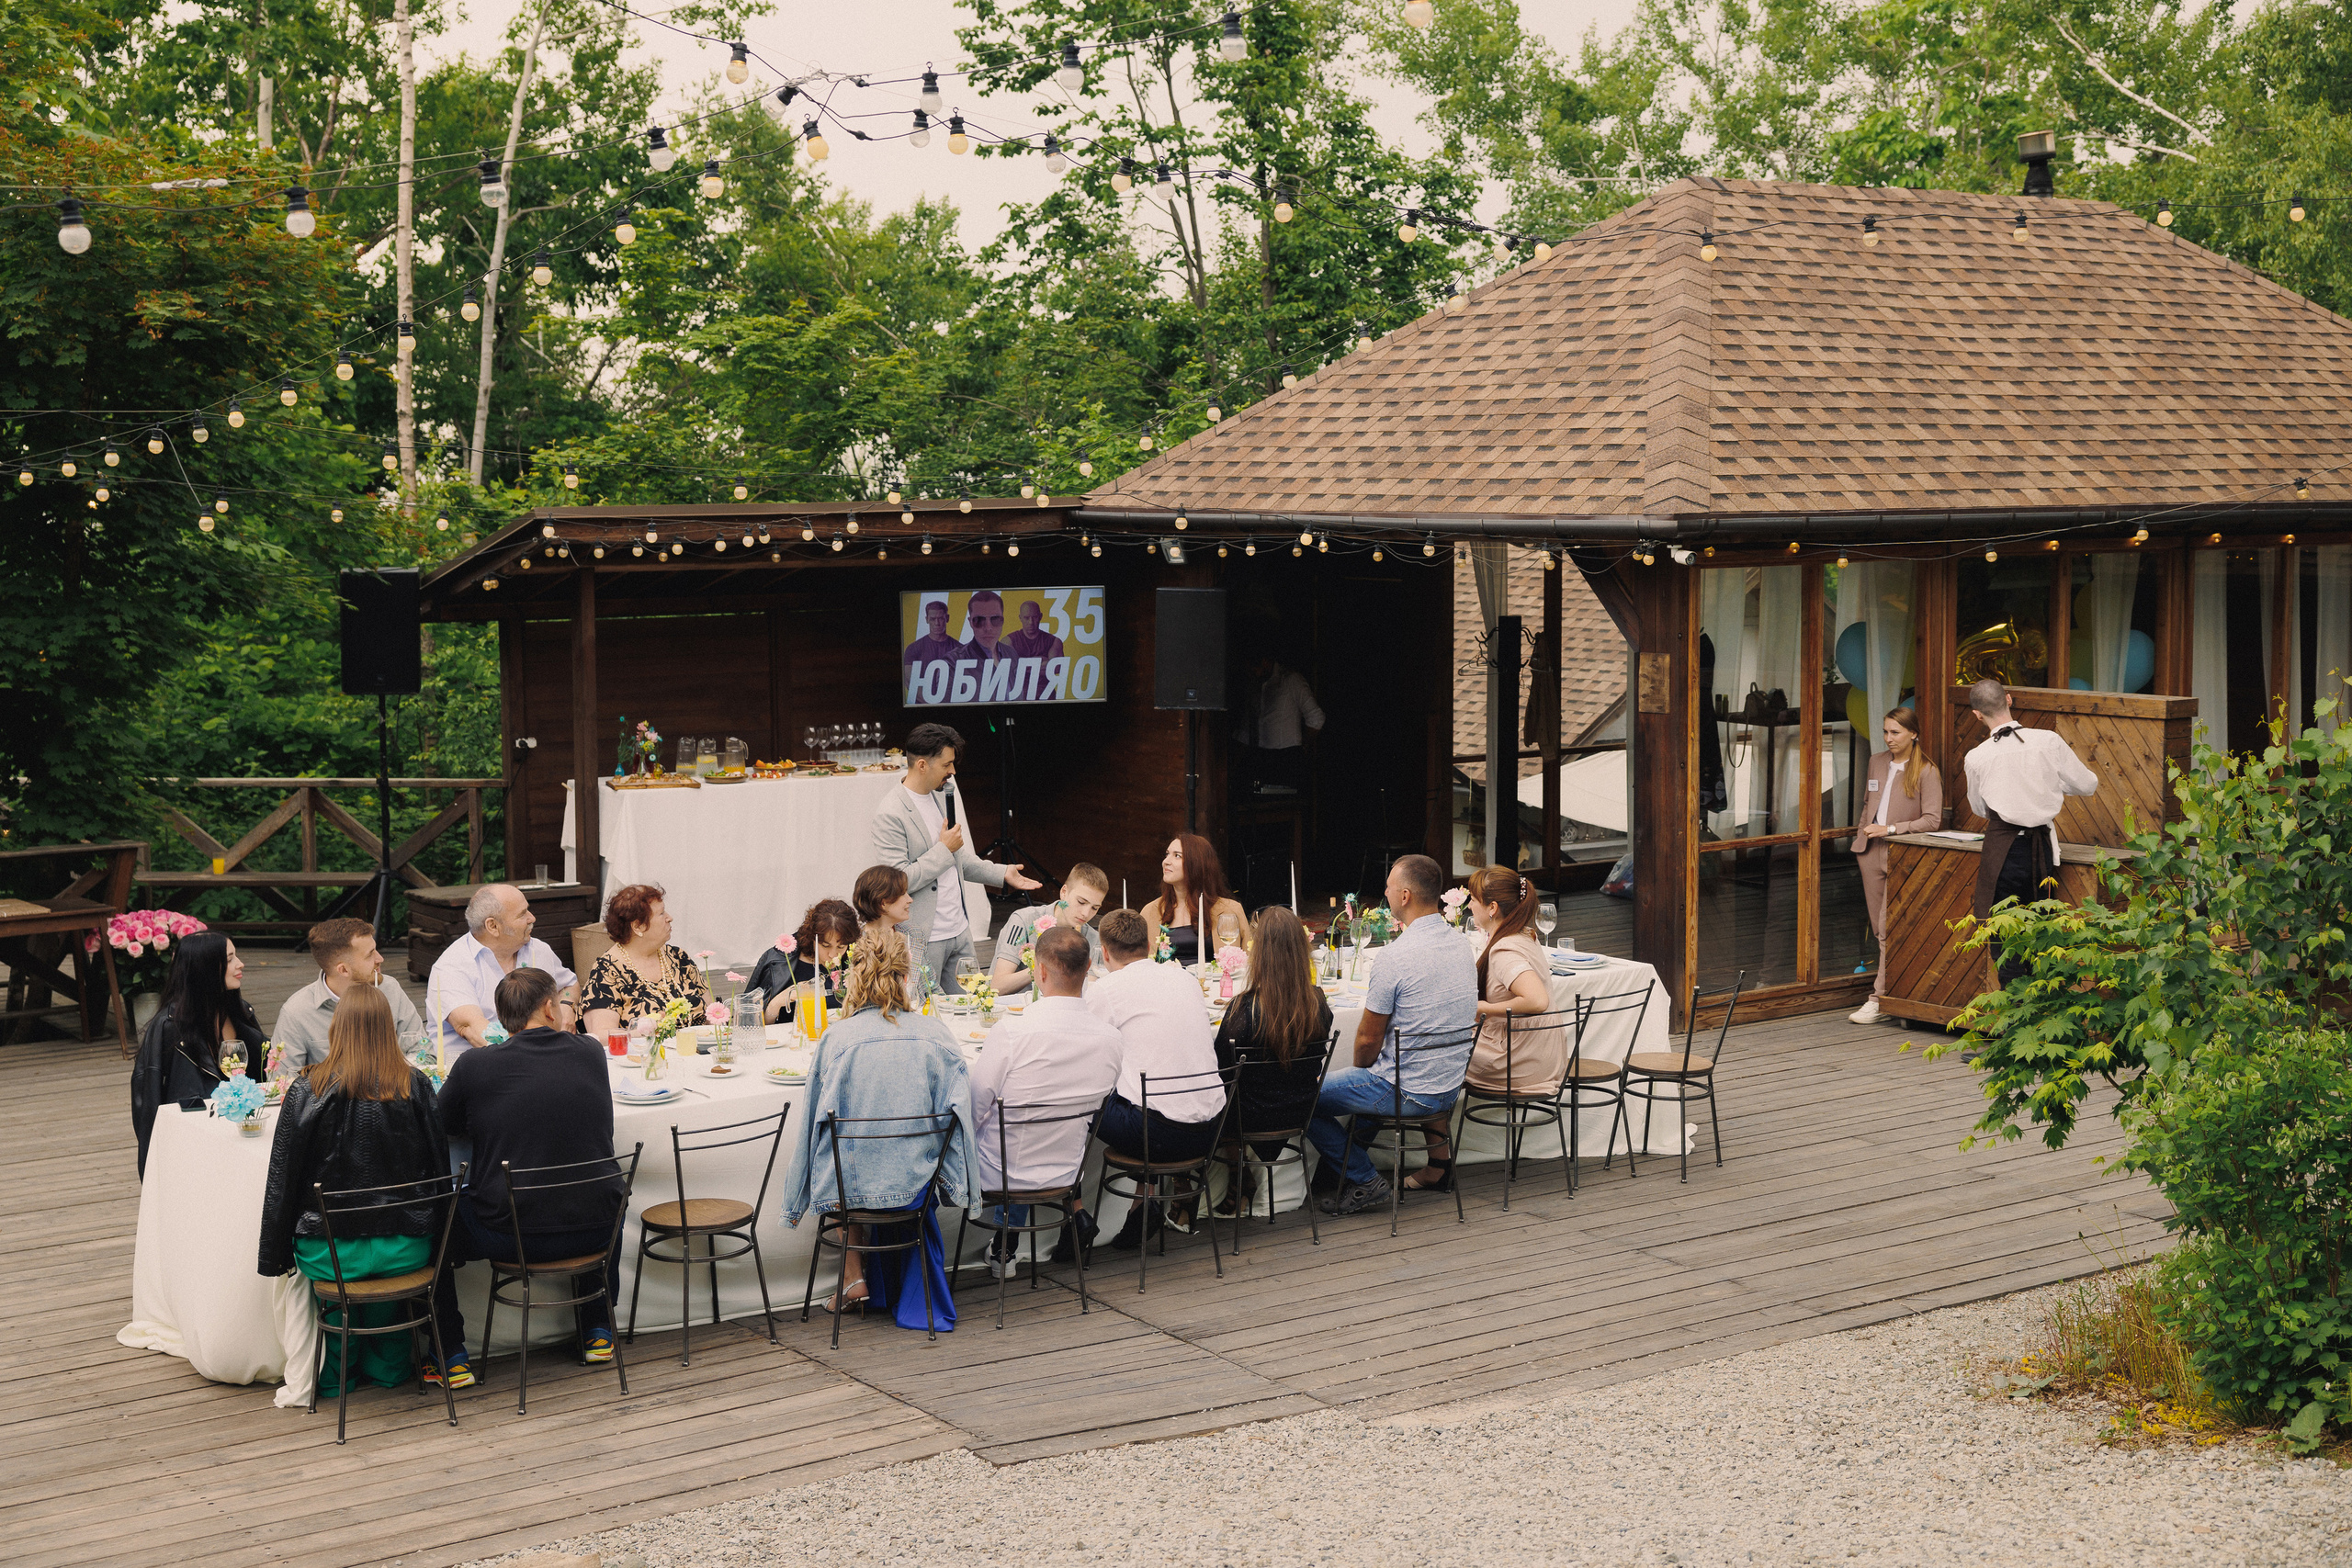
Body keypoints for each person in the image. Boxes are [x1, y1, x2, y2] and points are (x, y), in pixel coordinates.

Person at [431, 967, 626, 1380]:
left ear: (503, 1021)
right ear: (549, 1008)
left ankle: (450, 1354)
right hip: (596, 1229)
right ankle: (598, 1328)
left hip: (510, 1235)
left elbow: (440, 1125)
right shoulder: (590, 1052)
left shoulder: (475, 1066)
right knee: (601, 1186)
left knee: (432, 1222)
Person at [257, 985, 452, 1395]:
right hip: (406, 1244)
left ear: (336, 1028)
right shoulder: (415, 1086)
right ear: (389, 1030)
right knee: (385, 1299)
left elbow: (282, 1182)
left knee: (341, 1296)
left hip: (328, 1251)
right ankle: (389, 1370)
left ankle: (335, 1376)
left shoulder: (306, 1089)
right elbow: (440, 1173)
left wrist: (275, 1258)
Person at [779, 931, 975, 1328]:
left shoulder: (837, 1038)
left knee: (839, 1157)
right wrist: (961, 1188)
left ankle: (853, 1276)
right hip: (914, 1186)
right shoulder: (936, 1034)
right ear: (907, 978)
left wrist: (794, 1205)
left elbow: (810, 1128)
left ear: (854, 977)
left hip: (851, 1195)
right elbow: (959, 1125)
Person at [1306, 854, 1477, 1216]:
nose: (1382, 893)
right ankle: (1342, 1173)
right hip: (1449, 1085)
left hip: (1408, 1091)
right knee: (1369, 1085)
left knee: (1298, 1098)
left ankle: (1364, 1177)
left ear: (1404, 896)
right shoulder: (1463, 944)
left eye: (1387, 887)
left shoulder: (1396, 956)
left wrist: (1361, 1073)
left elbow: (1367, 1041)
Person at [969, 925, 1122, 1277]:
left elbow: (974, 1110)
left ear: (1038, 971)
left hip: (999, 1175)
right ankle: (1005, 1247)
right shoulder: (1111, 1039)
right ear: (1088, 971)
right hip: (1067, 1172)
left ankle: (985, 1250)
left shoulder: (1011, 1032)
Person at [1085, 908, 1225, 1250]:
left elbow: (1082, 1049)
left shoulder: (1106, 989)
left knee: (1078, 1095)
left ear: (1103, 952)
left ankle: (1074, 1214)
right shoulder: (1184, 978)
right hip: (1212, 1131)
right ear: (1149, 945)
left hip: (1159, 1135)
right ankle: (1140, 1206)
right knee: (1137, 1089)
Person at [869, 722, 1039, 986]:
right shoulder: (890, 813)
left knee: (975, 1007)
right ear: (922, 765)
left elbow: (956, 858)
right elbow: (897, 881)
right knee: (929, 1013)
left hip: (960, 931)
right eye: (947, 765)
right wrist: (943, 849)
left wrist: (1001, 872)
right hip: (923, 937)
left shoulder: (941, 796)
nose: (953, 771)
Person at [1962, 680, 2098, 986]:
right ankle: (2041, 1017)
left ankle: (2015, 1019)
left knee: (2004, 932)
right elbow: (2088, 785)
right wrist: (2048, 783)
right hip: (2040, 848)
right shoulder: (2048, 741)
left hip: (2002, 849)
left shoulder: (1977, 757)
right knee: (2041, 929)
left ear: (1976, 715)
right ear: (2009, 699)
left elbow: (1979, 808)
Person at [1210, 907, 1334, 1220]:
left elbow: (1221, 1071)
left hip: (1246, 1117)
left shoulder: (1243, 1008)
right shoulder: (1318, 1002)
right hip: (1299, 1109)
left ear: (1259, 954)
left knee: (1213, 1095)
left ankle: (1225, 1178)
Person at [1455, 869, 1566, 1185]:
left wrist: (1485, 1008)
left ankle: (1434, 1161)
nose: (1468, 908)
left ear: (1492, 908)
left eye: (1473, 901)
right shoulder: (1524, 935)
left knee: (1431, 1059)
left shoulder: (1504, 949)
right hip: (1545, 1055)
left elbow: (1536, 999)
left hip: (1519, 1062)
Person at [131, 931, 267, 1178]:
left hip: (247, 1138)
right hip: (197, 1147)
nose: (240, 964)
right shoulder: (169, 1028)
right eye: (230, 958)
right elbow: (149, 1104)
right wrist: (154, 1169)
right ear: (205, 968)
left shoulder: (240, 1012)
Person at [1849, 705, 1946, 1024]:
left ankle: (1878, 999)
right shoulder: (1877, 762)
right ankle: (1892, 995)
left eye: (1896, 732)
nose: (1888, 738)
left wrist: (1891, 829)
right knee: (1879, 929)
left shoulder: (1927, 771)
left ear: (1913, 734)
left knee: (1890, 927)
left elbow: (1933, 819)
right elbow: (1868, 803)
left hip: (1903, 855)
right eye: (1885, 732)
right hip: (1870, 852)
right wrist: (1862, 839)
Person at [424, 883, 577, 1056]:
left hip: (542, 1057)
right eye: (522, 914)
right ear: (493, 926)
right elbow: (475, 1030)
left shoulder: (538, 950)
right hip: (475, 1069)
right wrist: (535, 1055)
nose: (532, 918)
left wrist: (566, 1006)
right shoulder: (452, 966)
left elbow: (569, 985)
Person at [273, 917, 428, 1072]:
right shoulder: (296, 1013)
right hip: (331, 1095)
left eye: (376, 949)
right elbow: (283, 1081)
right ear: (344, 970)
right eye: (370, 955)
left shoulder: (390, 989)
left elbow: (424, 1052)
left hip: (395, 1092)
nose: (380, 958)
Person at [579, 884, 711, 1039]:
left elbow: (713, 1014)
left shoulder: (679, 958)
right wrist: (645, 1031)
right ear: (638, 926)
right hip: (646, 1058)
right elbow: (601, 1036)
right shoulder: (607, 972)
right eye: (661, 913)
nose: (670, 918)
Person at [989, 863, 1109, 997]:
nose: (1086, 913)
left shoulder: (1093, 938)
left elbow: (1089, 993)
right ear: (1064, 892)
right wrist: (1045, 967)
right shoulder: (1024, 920)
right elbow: (997, 986)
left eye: (1095, 908)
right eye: (1081, 902)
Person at [1140, 833, 1249, 965]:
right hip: (1167, 984)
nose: (1166, 861)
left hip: (1214, 984)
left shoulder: (1230, 910)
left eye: (1177, 856)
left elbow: (1250, 962)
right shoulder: (1150, 911)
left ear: (1196, 863)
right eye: (1167, 854)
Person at [748, 898, 859, 1023]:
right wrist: (777, 1002)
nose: (833, 955)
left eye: (841, 947)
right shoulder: (781, 962)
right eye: (825, 946)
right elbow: (753, 1025)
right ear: (812, 937)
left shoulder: (854, 963)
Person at [1238, 652, 1326, 795]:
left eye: (1253, 670)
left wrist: (1303, 745)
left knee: (1283, 808)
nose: (1251, 674)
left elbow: (1316, 717)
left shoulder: (1291, 680)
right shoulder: (1254, 685)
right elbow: (1246, 730)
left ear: (1264, 661)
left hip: (1287, 758)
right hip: (1259, 757)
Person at [954, 590, 1016, 666]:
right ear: (970, 622)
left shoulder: (1012, 653)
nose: (988, 628)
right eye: (979, 620)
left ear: (1002, 620)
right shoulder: (954, 661)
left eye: (995, 619)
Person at [903, 595, 961, 669]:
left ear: (947, 618)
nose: (937, 623)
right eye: (932, 619)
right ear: (927, 619)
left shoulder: (959, 649)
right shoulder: (913, 649)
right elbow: (908, 679)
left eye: (940, 618)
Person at [1005, 598, 1064, 662]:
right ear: (1020, 618)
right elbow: (1009, 668)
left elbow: (1055, 668)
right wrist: (1041, 660)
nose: (1031, 622)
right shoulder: (1008, 641)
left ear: (1040, 617)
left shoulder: (1054, 642)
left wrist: (1021, 662)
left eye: (1035, 617)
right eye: (1026, 618)